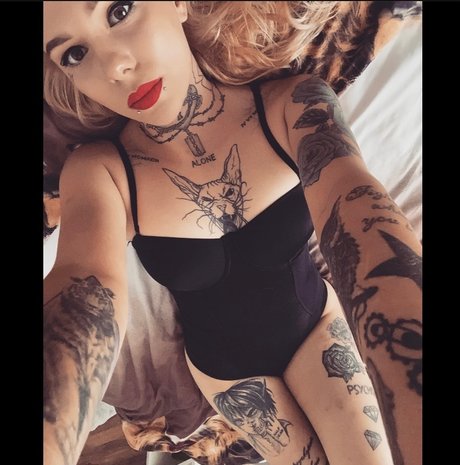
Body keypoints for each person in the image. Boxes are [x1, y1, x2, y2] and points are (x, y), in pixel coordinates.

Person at [43, 2, 422, 465]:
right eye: (75, 54)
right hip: (227, 374)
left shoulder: (295, 105)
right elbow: (82, 287)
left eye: (119, 10)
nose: (115, 67)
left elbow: (364, 217)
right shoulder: (100, 172)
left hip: (316, 327)